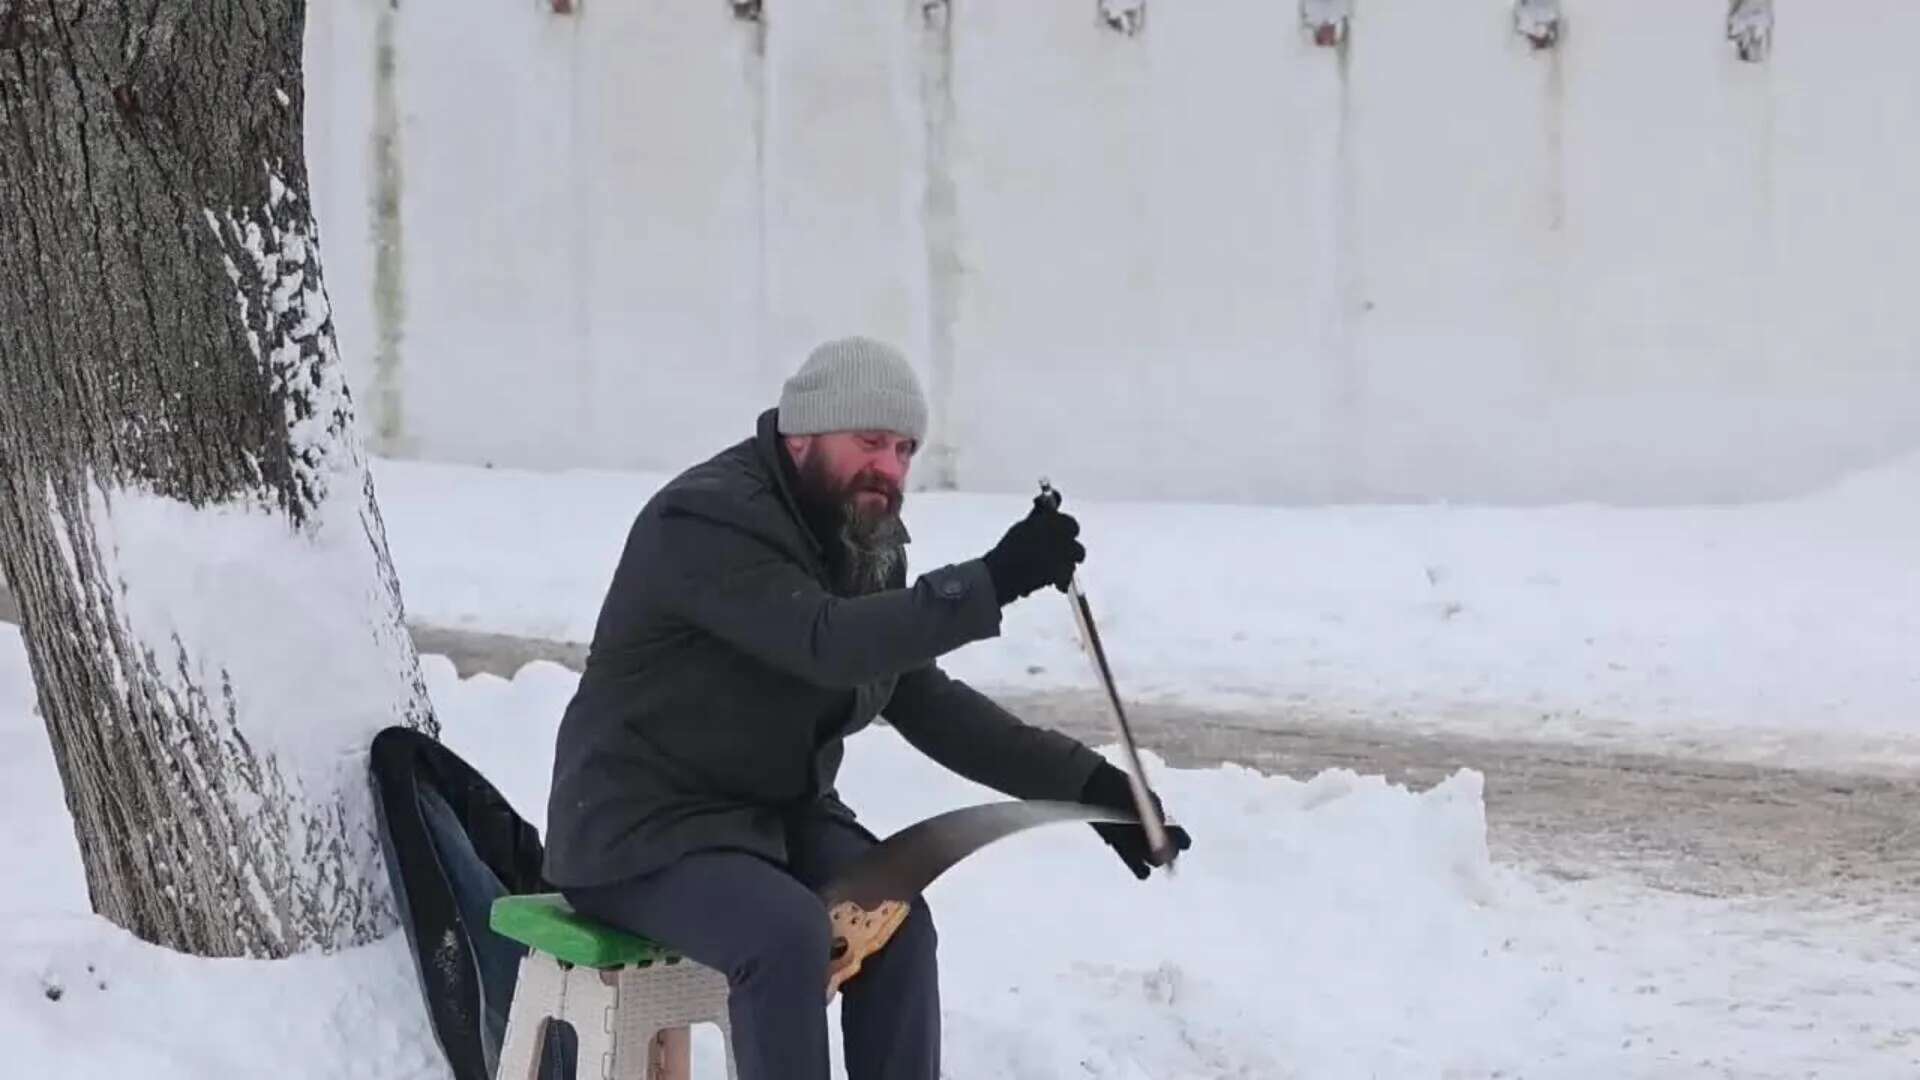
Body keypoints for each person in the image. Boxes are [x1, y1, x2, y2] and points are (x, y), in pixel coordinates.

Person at [542, 336, 1192, 1080]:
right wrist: (992, 579)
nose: (889, 467)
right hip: (641, 829)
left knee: (898, 923)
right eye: (870, 442)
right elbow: (825, 641)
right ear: (802, 435)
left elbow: (924, 698)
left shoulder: (864, 543)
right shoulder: (706, 520)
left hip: (772, 822)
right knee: (785, 933)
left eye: (906, 448)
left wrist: (1094, 789)